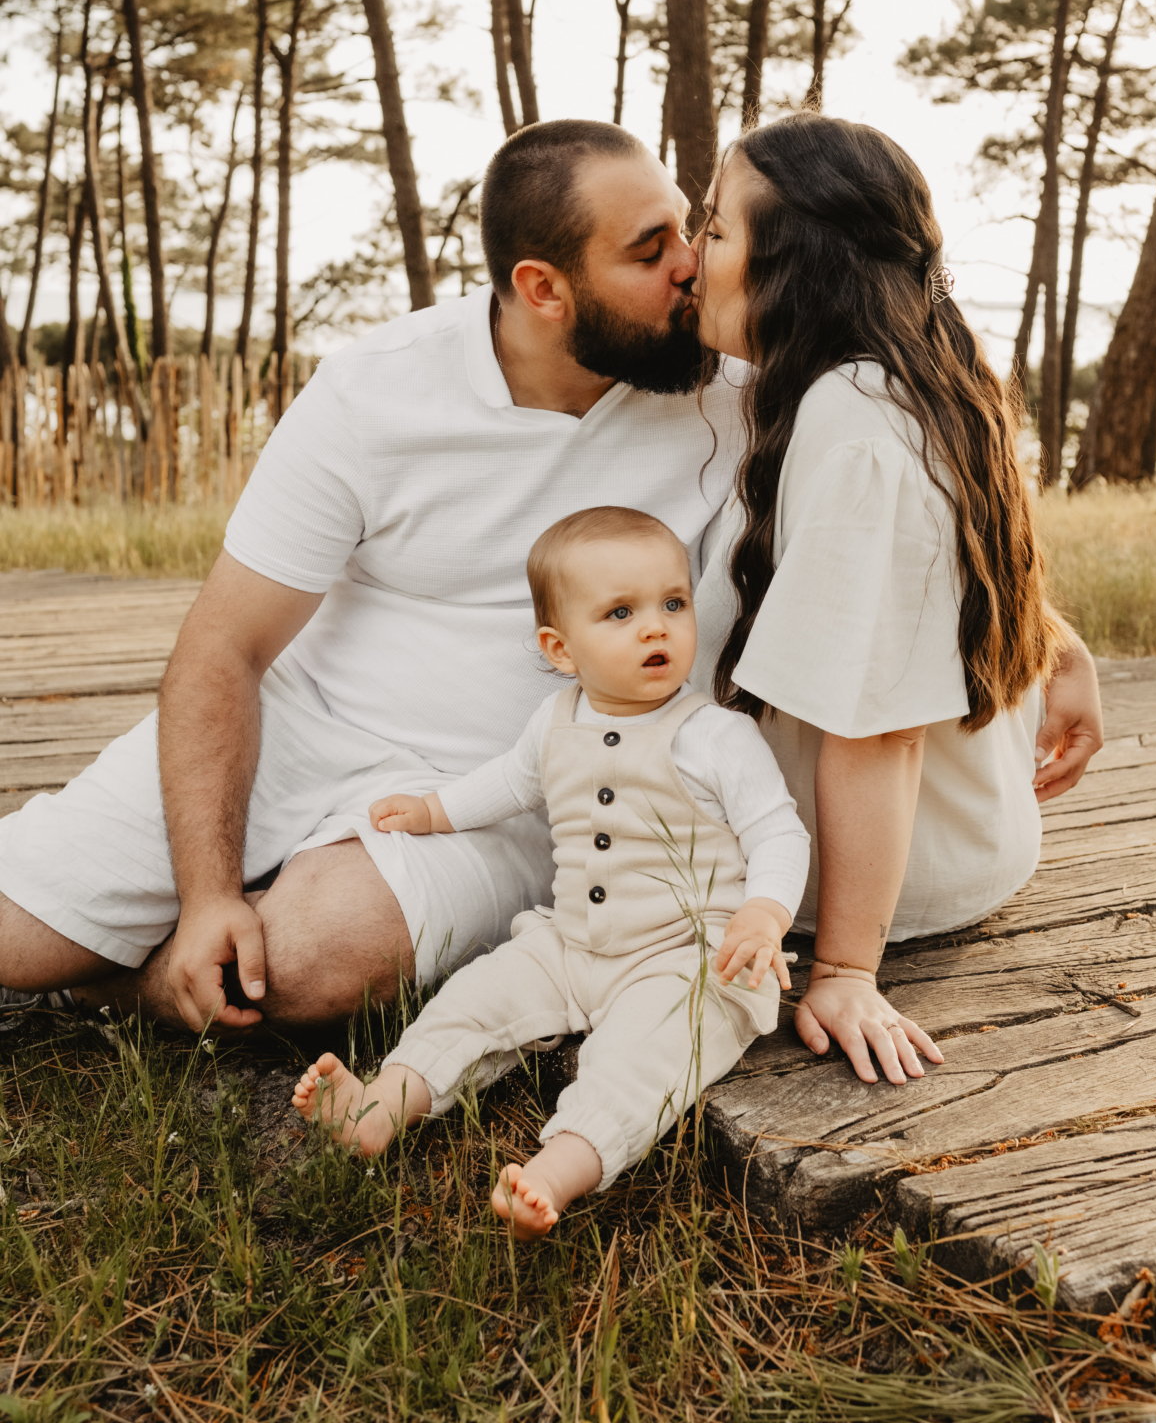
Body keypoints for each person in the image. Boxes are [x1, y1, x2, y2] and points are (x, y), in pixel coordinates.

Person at [0, 117, 1101, 1037]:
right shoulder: (376, 392)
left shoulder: (740, 370)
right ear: (543, 287)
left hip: (530, 786)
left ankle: (142, 979)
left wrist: (1045, 638)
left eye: (695, 229)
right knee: (17, 937)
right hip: (310, 727)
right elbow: (222, 648)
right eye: (650, 247)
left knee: (299, 963)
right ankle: (171, 925)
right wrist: (200, 897)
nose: (685, 264)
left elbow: (905, 518)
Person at [689, 113, 1099, 1085]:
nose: (688, 252)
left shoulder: (856, 422)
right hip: (955, 846)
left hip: (884, 885)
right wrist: (1058, 650)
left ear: (790, 268)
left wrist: (840, 968)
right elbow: (932, 572)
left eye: (713, 229)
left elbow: (876, 729)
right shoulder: (906, 376)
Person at [292, 505, 809, 1239]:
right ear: (560, 649)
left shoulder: (715, 735)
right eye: (621, 612)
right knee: (473, 1000)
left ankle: (555, 1172)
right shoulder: (553, 718)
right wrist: (433, 811)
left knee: (645, 1056)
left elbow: (777, 829)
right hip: (571, 943)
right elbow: (507, 784)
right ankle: (377, 1108)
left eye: (673, 603)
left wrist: (765, 912)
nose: (656, 627)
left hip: (691, 958)